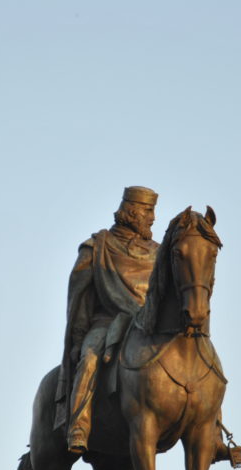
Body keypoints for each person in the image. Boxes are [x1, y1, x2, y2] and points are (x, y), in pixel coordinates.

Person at [55, 186, 160, 455]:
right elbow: (78, 299)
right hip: (107, 323)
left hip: (149, 325)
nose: (152, 218)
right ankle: (79, 425)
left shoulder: (160, 253)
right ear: (132, 212)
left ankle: (215, 431)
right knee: (90, 359)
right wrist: (79, 338)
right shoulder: (97, 248)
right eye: (148, 211)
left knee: (197, 358)